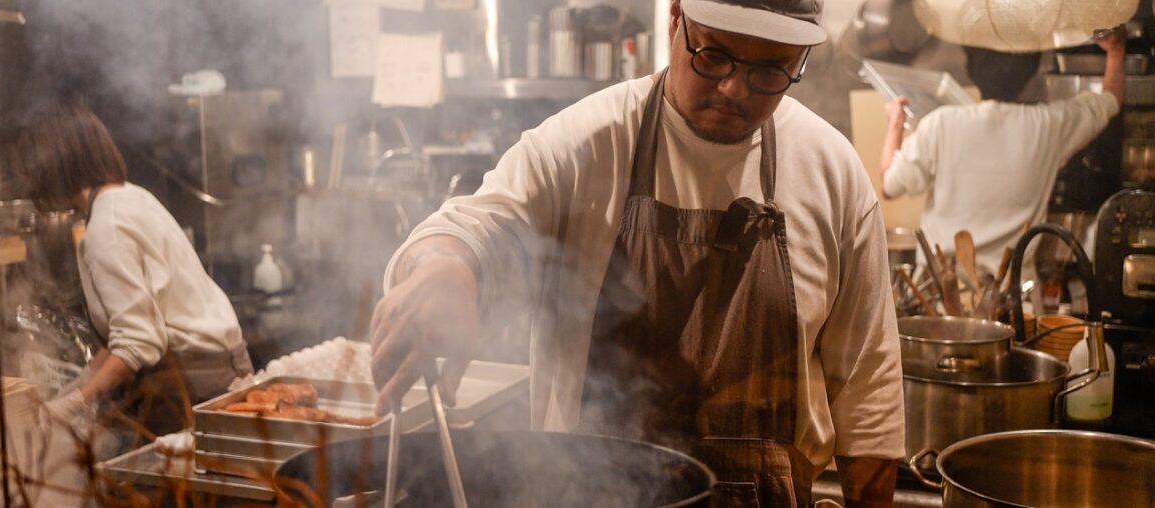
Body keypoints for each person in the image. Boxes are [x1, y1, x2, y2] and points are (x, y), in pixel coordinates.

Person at [369, 1, 904, 506]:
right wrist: (444, 268)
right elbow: (477, 225)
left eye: (770, 71)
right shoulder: (583, 143)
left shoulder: (833, 174)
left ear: (801, 60)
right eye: (714, 55)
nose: (734, 87)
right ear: (676, 17)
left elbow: (867, 392)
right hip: (586, 495)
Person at [15, 100, 253, 442]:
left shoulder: (105, 228)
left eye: (31, 168)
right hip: (220, 371)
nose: (29, 181)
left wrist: (78, 402)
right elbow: (142, 318)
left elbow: (140, 341)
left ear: (54, 165)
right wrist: (86, 377)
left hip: (188, 388)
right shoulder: (131, 197)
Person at [880, 28, 1126, 273]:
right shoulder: (1047, 125)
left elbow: (890, 186)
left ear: (972, 69)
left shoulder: (941, 123)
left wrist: (895, 124)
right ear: (1030, 72)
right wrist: (1116, 51)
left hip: (940, 298)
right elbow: (1110, 100)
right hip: (1014, 296)